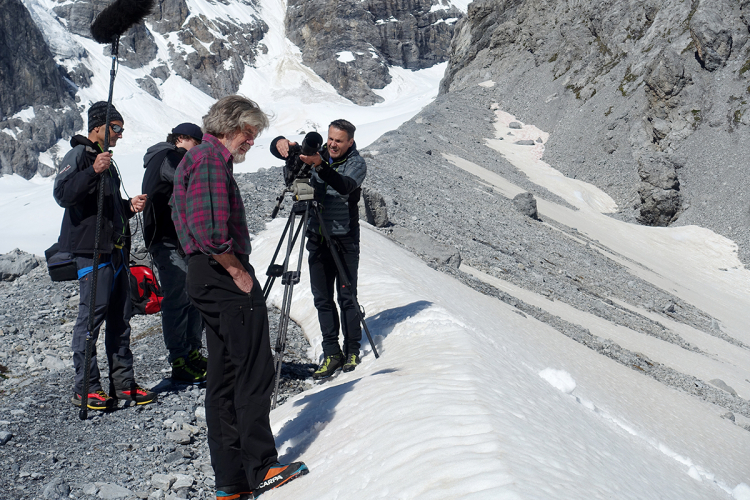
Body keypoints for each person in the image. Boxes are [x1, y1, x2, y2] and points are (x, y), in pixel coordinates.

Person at [171, 95, 308, 499]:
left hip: (202, 275)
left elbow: (187, 225)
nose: (250, 142)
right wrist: (237, 272)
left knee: (224, 376)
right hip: (223, 275)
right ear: (230, 127)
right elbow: (212, 233)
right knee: (253, 370)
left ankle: (231, 480)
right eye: (248, 134)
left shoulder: (195, 160)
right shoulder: (211, 161)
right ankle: (262, 467)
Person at [53, 101, 157, 410]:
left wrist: (128, 207)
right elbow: (63, 194)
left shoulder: (105, 161)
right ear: (98, 126)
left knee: (120, 319)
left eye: (122, 129)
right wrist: (93, 171)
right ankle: (86, 387)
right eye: (116, 128)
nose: (120, 135)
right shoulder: (80, 156)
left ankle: (123, 385)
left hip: (114, 250)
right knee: (91, 320)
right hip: (91, 251)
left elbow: (103, 209)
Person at [271, 119, 367, 379]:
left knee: (347, 297)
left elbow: (345, 186)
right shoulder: (317, 155)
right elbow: (291, 162)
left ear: (350, 142)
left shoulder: (357, 164)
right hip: (316, 236)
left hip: (344, 238)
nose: (333, 144)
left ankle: (353, 349)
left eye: (339, 140)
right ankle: (332, 353)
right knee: (322, 298)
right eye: (331, 139)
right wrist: (281, 144)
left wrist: (320, 166)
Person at [142, 123, 207, 384]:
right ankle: (180, 359)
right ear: (182, 139)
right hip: (167, 239)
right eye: (197, 144)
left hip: (171, 238)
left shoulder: (161, 157)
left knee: (190, 294)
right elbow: (186, 179)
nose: (198, 151)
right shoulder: (170, 155)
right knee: (179, 296)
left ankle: (191, 353)